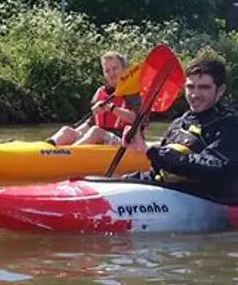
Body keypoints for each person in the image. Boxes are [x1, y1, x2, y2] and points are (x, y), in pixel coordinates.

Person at [127, 54, 238, 203]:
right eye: (190, 87)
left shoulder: (230, 125)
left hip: (212, 201)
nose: (195, 94)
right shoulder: (179, 124)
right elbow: (158, 172)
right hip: (169, 197)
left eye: (204, 87)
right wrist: (122, 182)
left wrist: (150, 151)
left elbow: (212, 167)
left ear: (220, 90)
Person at [49, 51, 140, 147]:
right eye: (107, 70)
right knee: (67, 130)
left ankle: (69, 153)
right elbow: (90, 123)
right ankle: (45, 149)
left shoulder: (132, 92)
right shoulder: (100, 92)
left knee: (96, 131)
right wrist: (74, 133)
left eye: (115, 68)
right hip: (99, 138)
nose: (111, 73)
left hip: (123, 142)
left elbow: (136, 119)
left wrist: (112, 108)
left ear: (124, 70)